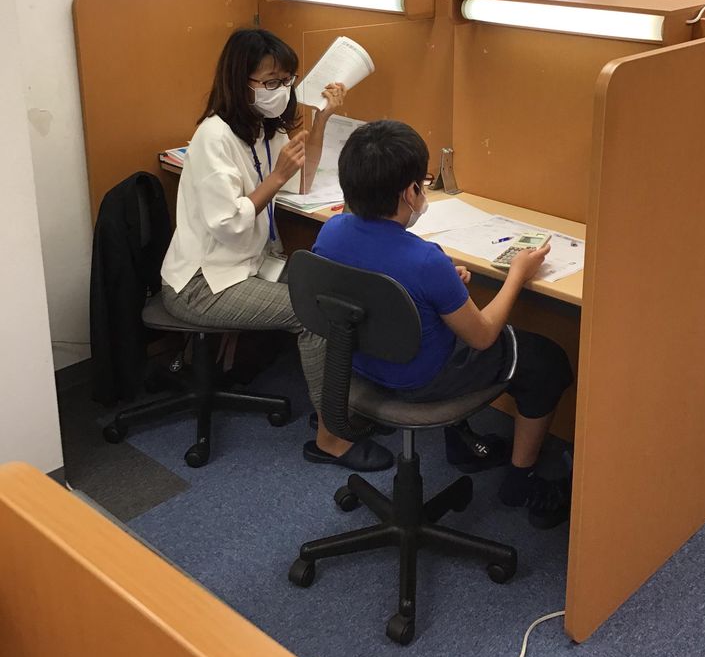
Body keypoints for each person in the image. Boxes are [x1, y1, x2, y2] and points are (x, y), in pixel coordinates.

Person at [312, 119, 574, 527]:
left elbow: (376, 282)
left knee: (445, 326)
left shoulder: (331, 231)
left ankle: (464, 444)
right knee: (546, 360)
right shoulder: (425, 260)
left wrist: (441, 286)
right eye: (421, 184)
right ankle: (521, 483)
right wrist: (517, 275)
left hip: (359, 364)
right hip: (420, 381)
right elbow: (483, 336)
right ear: (409, 192)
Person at [160, 28, 393, 472]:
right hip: (203, 283)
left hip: (250, 265)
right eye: (270, 82)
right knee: (313, 317)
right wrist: (275, 178)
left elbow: (303, 178)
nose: (281, 91)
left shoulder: (261, 130)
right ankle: (331, 438)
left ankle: (338, 408)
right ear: (239, 80)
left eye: (287, 81)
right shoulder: (214, 138)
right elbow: (229, 224)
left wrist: (321, 120)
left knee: (337, 293)